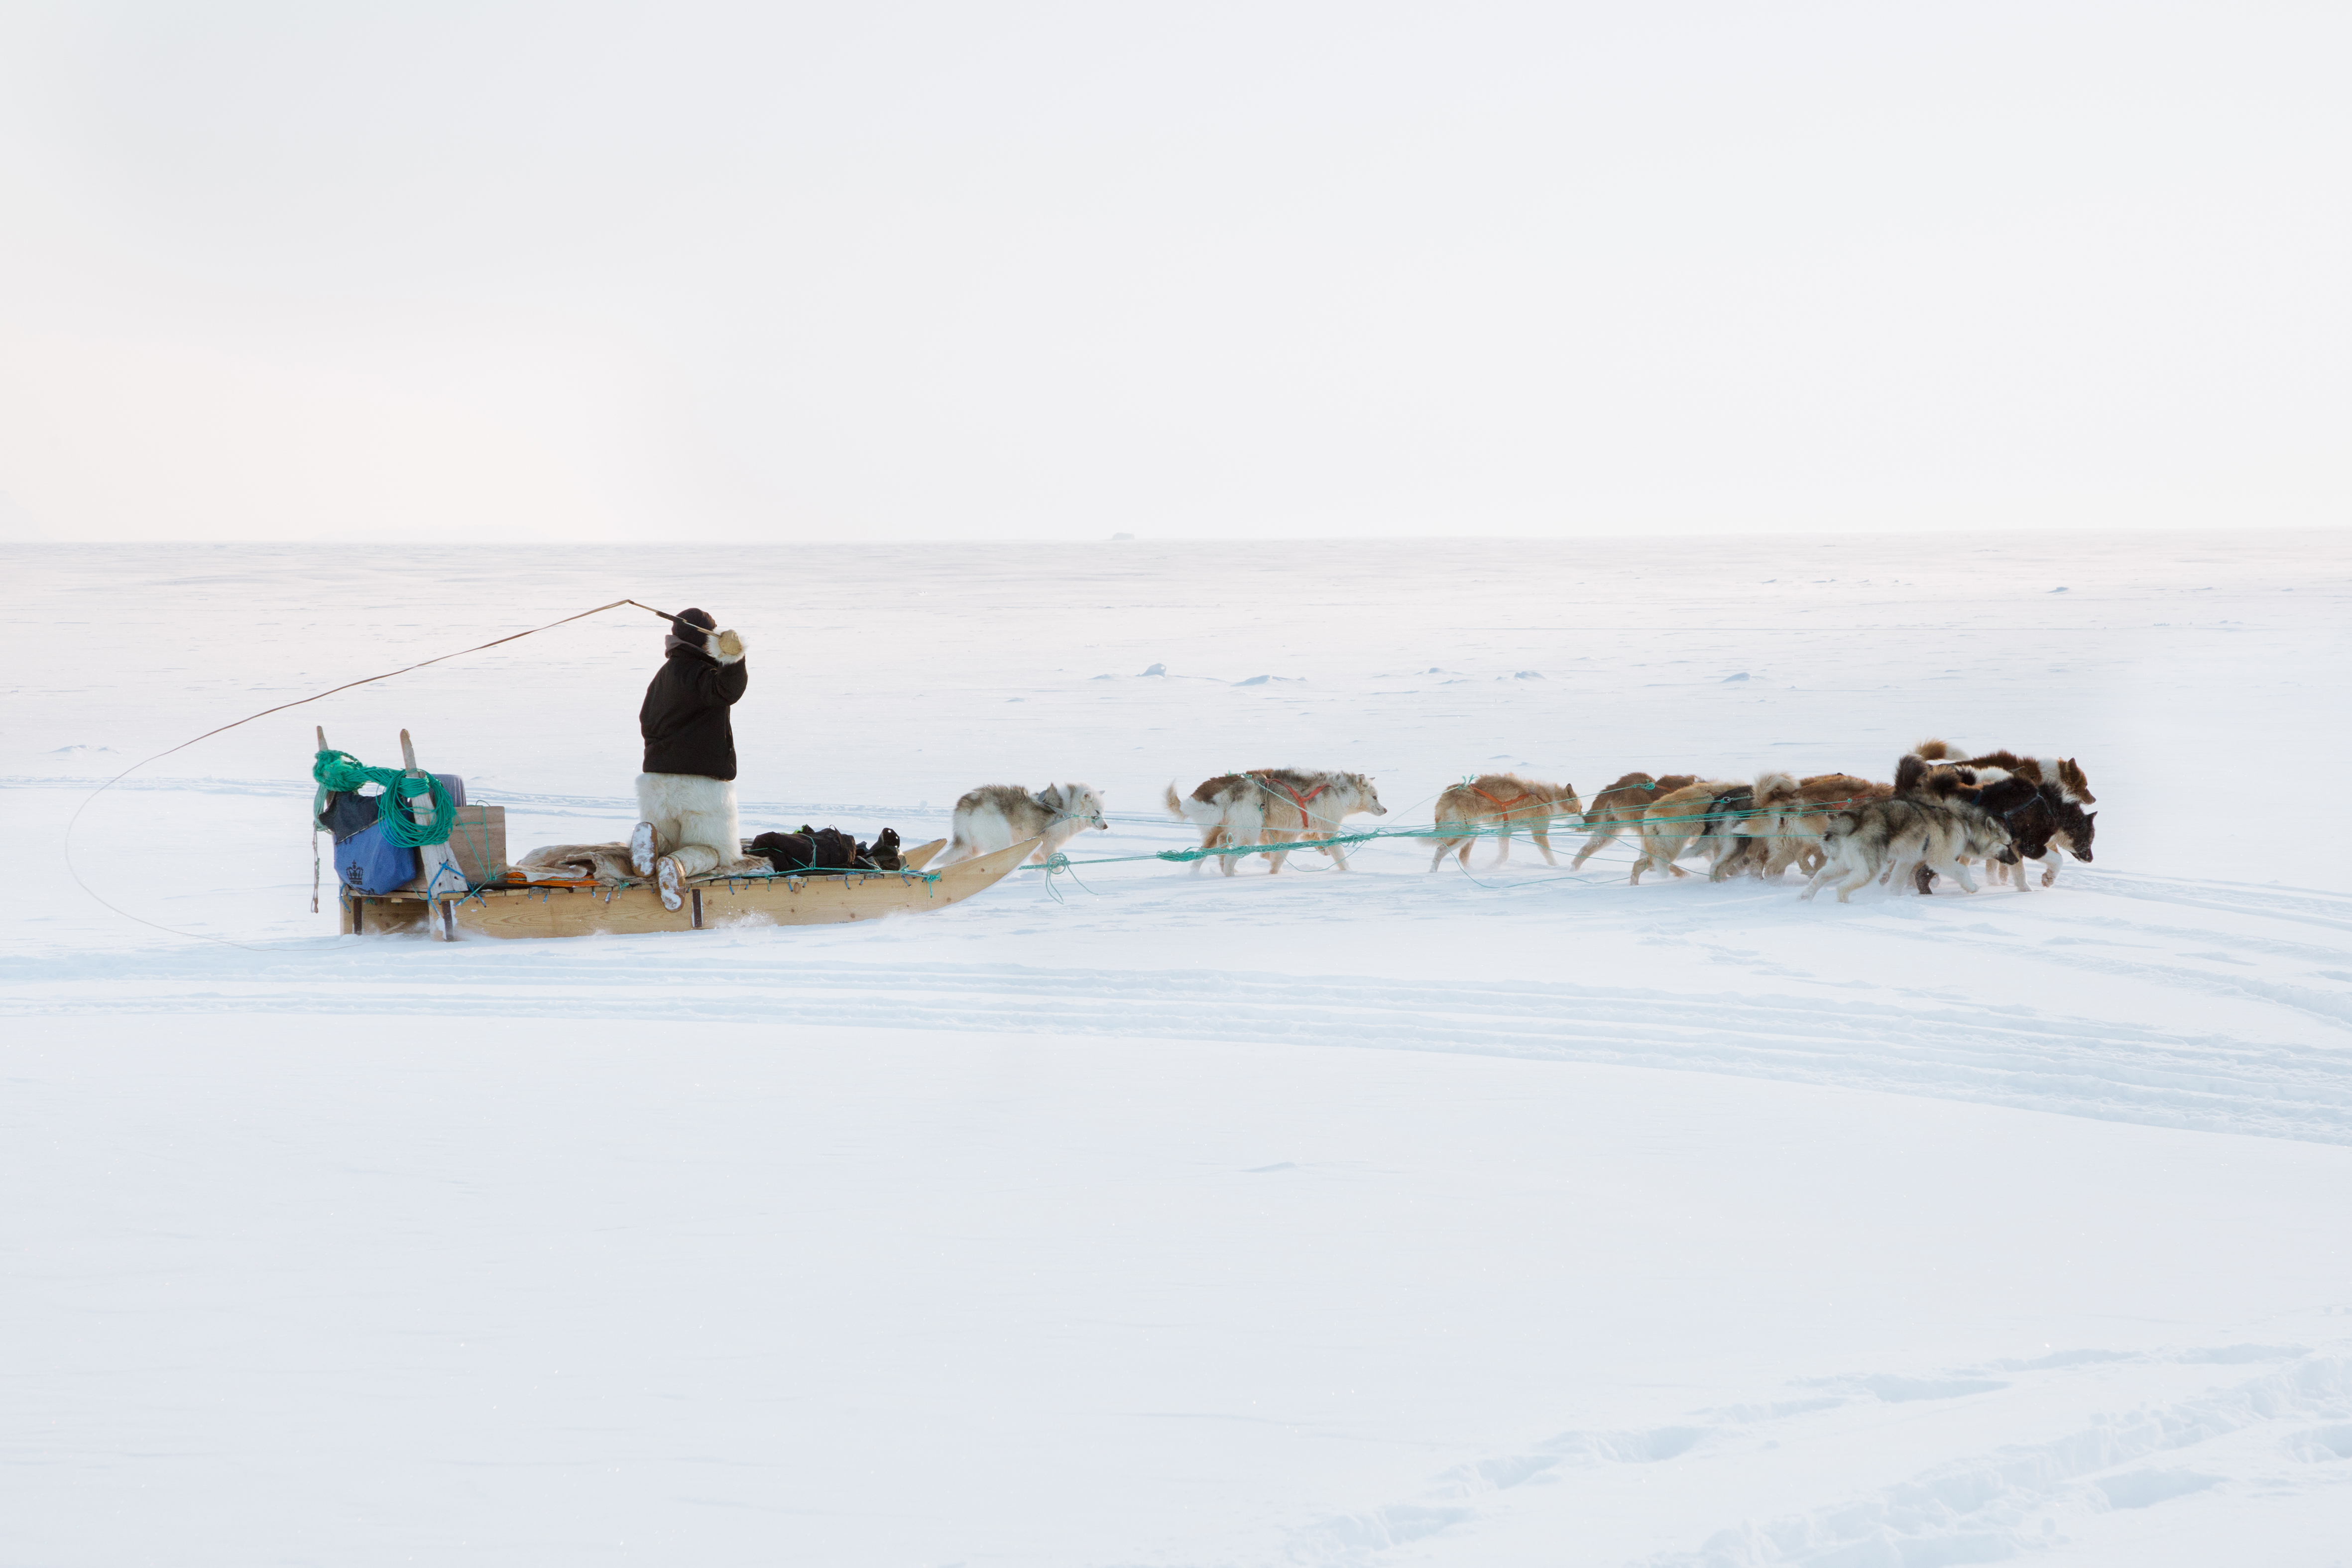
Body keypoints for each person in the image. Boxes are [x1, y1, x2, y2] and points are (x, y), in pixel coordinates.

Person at [629, 607, 749, 910]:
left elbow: (645, 721)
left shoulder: (662, 677)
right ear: (707, 640)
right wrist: (734, 659)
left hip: (657, 783)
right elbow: (728, 689)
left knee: (667, 838)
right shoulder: (699, 673)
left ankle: (652, 847)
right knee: (715, 852)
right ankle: (678, 866)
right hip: (700, 786)